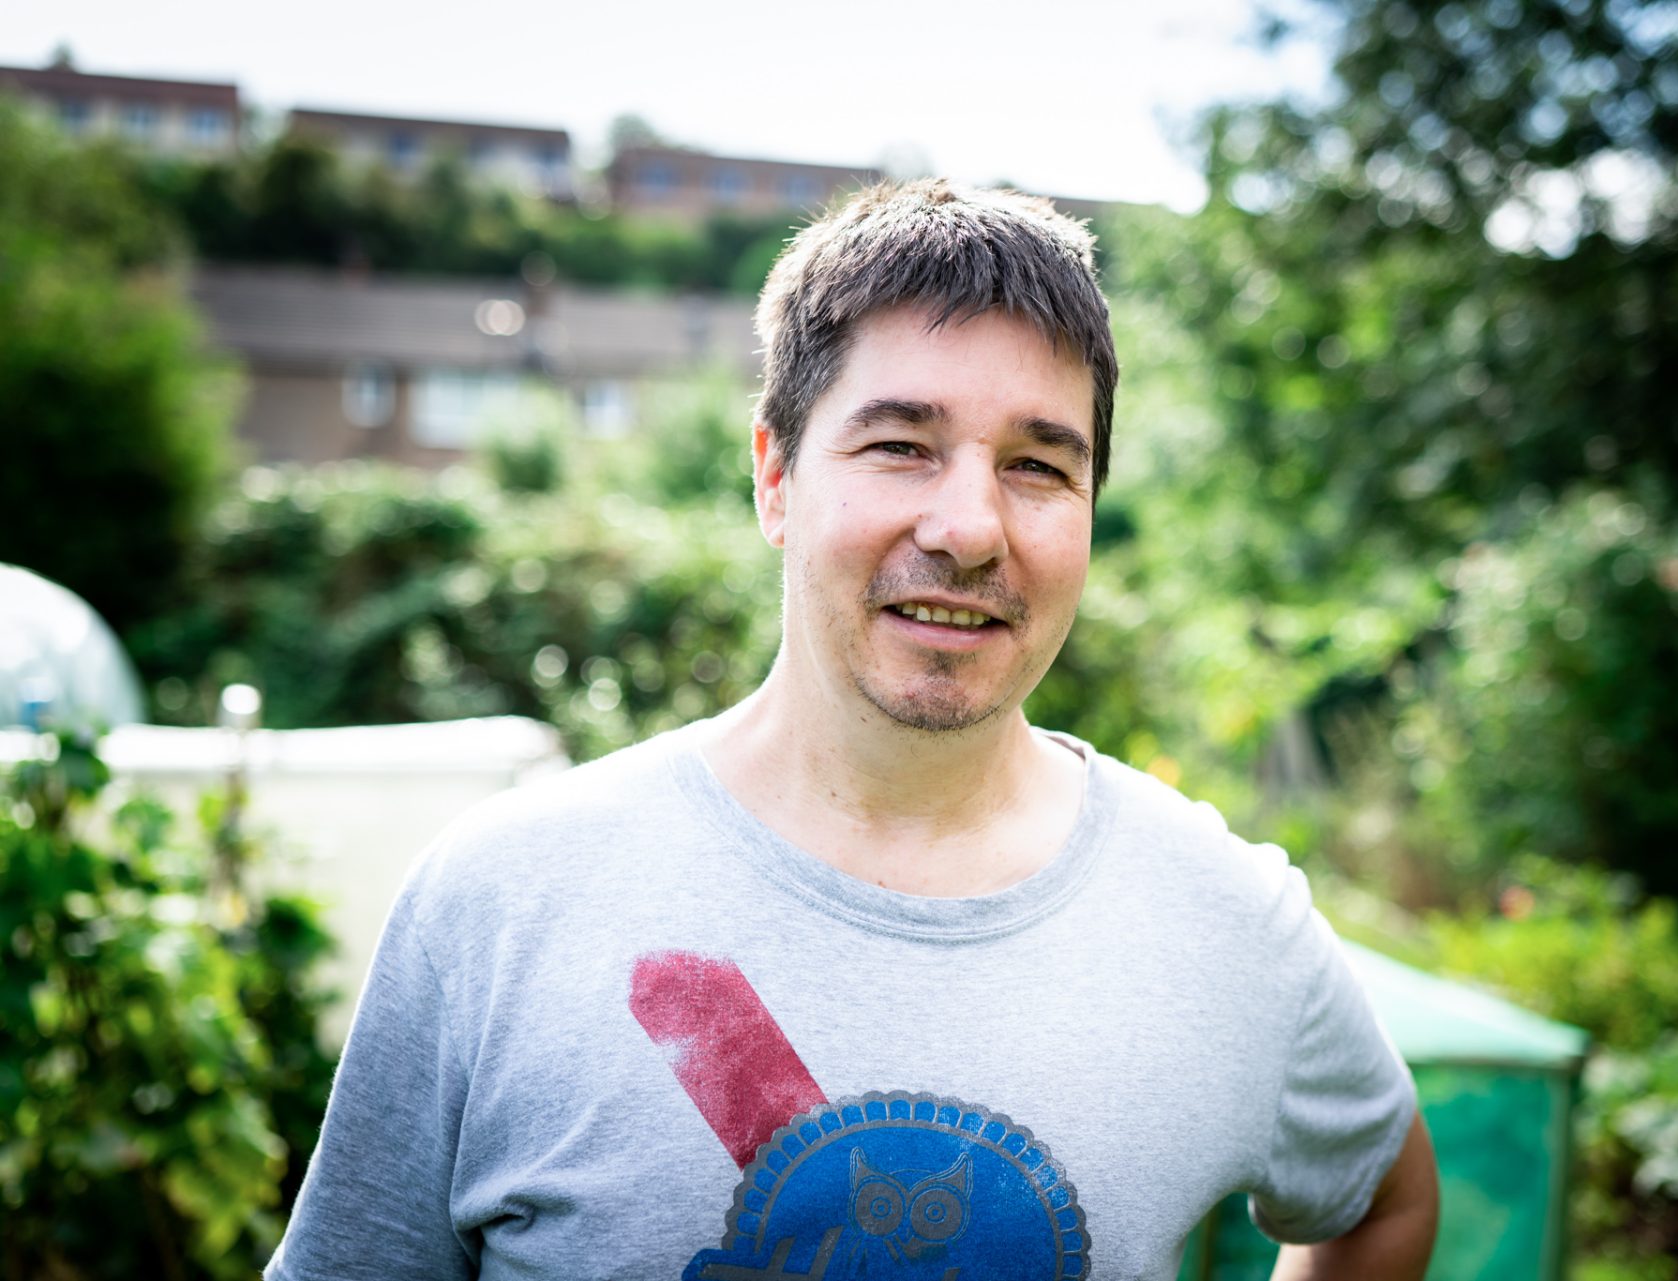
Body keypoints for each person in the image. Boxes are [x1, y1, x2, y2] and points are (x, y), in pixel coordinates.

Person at [265, 179, 1438, 1281]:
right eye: (900, 446)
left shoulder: (1225, 923)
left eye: (1038, 465)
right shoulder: (502, 900)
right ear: (774, 477)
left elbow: (1386, 1201)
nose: (971, 526)